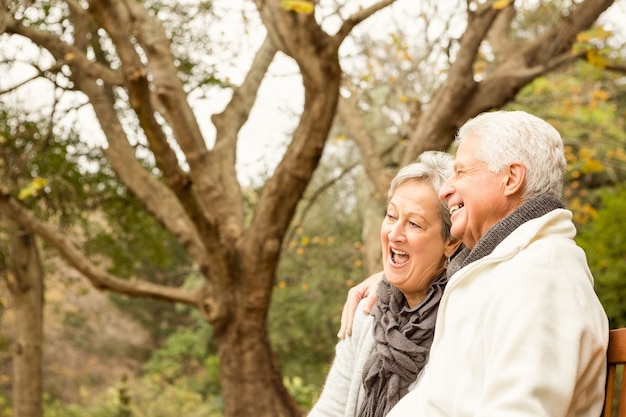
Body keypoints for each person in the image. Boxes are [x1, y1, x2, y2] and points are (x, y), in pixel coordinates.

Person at [339, 110, 609, 417]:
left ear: (511, 178)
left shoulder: (541, 276)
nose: (445, 190)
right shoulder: (499, 271)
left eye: (461, 172)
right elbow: (432, 403)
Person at [308, 151, 461, 417]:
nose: (394, 234)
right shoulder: (367, 310)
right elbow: (329, 410)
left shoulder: (461, 320)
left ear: (451, 242)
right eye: (391, 216)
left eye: (413, 224)